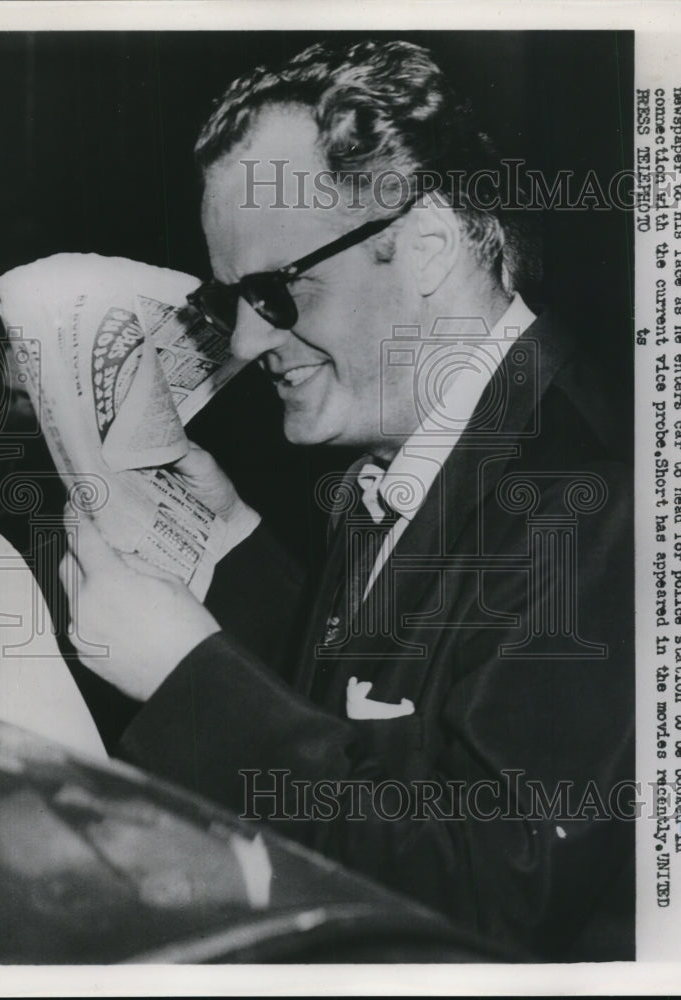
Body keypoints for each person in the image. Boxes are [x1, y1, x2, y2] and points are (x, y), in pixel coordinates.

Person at [60, 39, 634, 962]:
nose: (246, 341)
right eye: (235, 297)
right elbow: (405, 721)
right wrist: (234, 554)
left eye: (279, 292)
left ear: (431, 244)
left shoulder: (601, 496)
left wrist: (188, 679)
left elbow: (490, 893)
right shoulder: (436, 448)